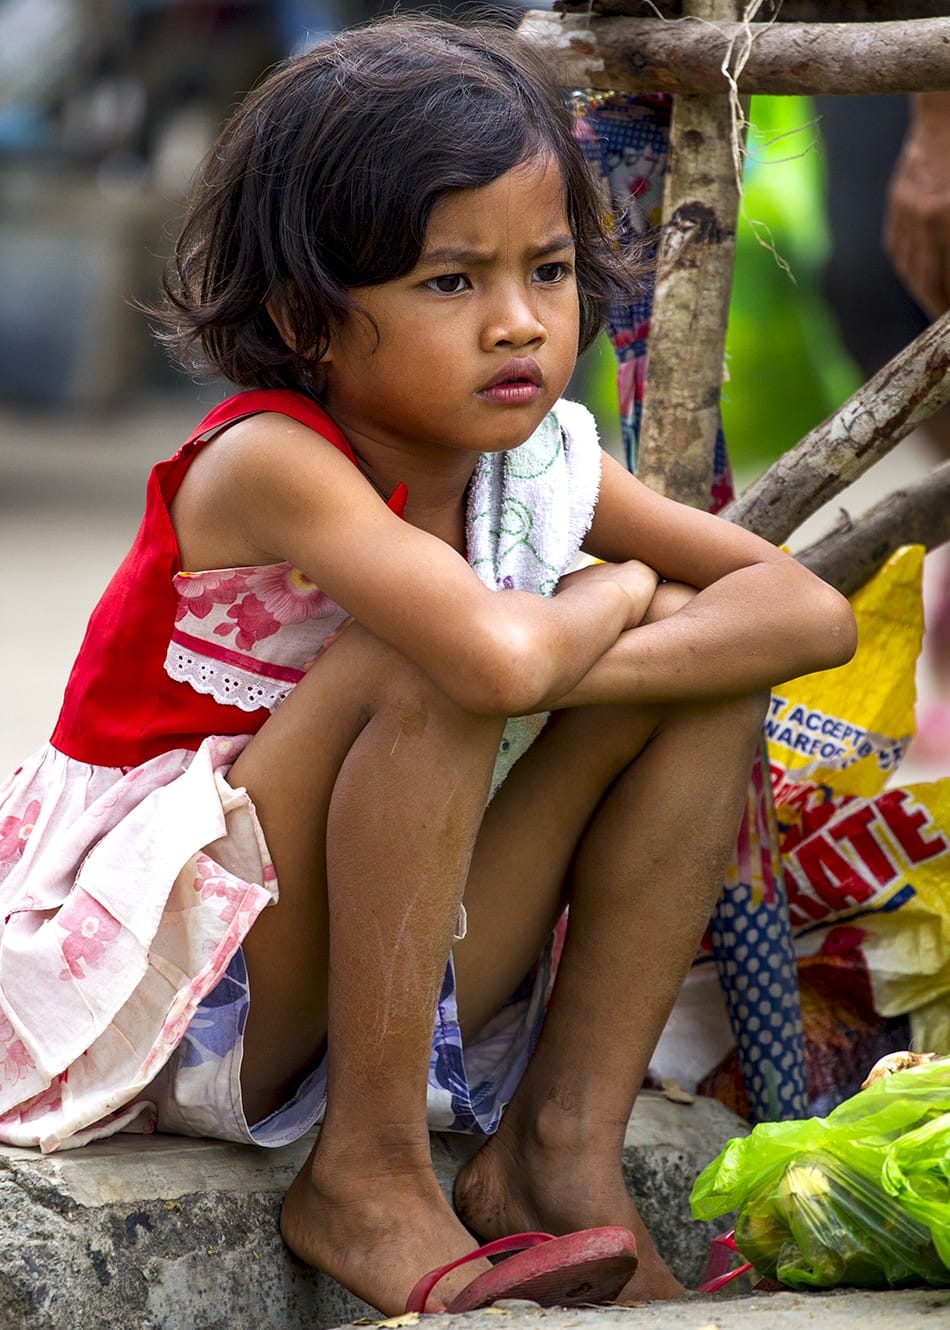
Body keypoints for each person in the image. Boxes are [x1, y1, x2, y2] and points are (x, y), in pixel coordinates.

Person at [0, 15, 857, 1315]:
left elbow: (802, 616)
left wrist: (586, 635)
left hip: (389, 940)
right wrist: (615, 594)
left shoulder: (545, 459)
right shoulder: (272, 460)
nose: (518, 326)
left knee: (697, 661)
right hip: (184, 978)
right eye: (450, 282)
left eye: (549, 270)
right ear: (305, 312)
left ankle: (556, 1153)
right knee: (436, 656)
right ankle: (368, 1169)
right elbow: (484, 658)